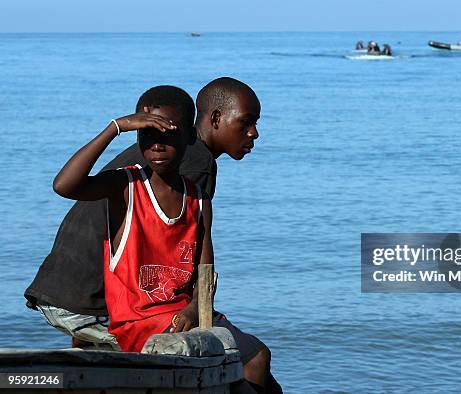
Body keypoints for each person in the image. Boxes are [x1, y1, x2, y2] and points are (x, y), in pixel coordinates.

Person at [26, 78, 281, 393]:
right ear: (214, 120)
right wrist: (116, 127)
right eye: (246, 123)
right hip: (100, 303)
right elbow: (158, 242)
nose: (253, 132)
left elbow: (193, 260)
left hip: (69, 291)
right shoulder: (191, 163)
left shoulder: (168, 170)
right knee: (246, 361)